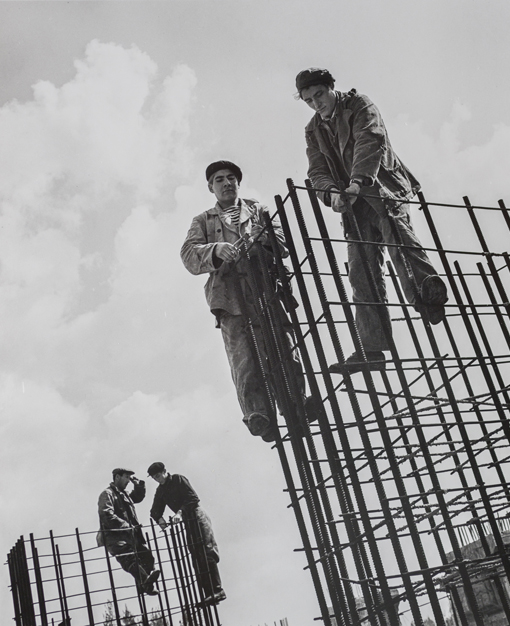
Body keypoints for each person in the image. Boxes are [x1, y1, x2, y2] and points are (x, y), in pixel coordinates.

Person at [296, 68, 448, 372]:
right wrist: (330, 194)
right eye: (308, 100)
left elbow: (371, 140)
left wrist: (357, 182)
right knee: (360, 271)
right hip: (353, 207)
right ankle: (372, 348)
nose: (316, 103)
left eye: (319, 95)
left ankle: (427, 296)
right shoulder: (313, 129)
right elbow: (316, 171)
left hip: (380, 188)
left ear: (331, 88)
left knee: (400, 240)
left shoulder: (359, 105)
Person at [181, 160, 321, 441]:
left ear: (238, 183)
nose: (226, 183)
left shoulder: (258, 210)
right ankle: (259, 415)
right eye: (219, 179)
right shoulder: (203, 221)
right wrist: (216, 249)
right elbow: (189, 255)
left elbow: (284, 243)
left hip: (265, 289)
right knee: (245, 359)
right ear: (211, 187)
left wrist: (264, 236)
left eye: (231, 178)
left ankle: (296, 405)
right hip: (230, 296)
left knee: (285, 349)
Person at [147, 462, 225, 606]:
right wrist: (160, 520)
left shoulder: (178, 479)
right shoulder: (161, 491)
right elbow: (154, 510)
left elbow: (193, 498)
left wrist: (180, 512)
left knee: (206, 552)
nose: (157, 479)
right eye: (154, 478)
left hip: (197, 516)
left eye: (158, 475)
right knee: (195, 556)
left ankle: (217, 590)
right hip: (187, 523)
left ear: (165, 471)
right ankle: (208, 594)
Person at [97, 468, 161, 595]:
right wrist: (125, 525)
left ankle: (144, 585)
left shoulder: (123, 494)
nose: (128, 481)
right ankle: (145, 582)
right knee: (130, 559)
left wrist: (139, 486)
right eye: (126, 477)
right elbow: (106, 514)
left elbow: (136, 498)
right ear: (117, 478)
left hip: (130, 536)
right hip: (115, 538)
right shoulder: (107, 494)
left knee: (147, 556)